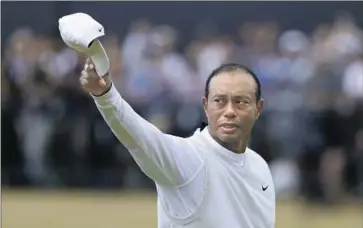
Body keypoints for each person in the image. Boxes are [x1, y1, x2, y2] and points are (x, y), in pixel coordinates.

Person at [80, 58, 275, 228]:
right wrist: (105, 95)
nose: (230, 111)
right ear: (206, 106)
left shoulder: (260, 166)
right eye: (220, 101)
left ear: (258, 108)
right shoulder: (189, 158)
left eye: (241, 101)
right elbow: (139, 136)